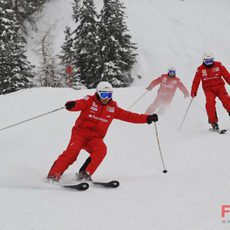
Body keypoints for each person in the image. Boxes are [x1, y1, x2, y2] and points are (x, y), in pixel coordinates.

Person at [47, 81, 158, 182]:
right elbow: (79, 104)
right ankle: (53, 175)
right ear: (98, 93)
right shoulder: (89, 101)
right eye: (104, 95)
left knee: (101, 149)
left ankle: (84, 174)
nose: (106, 98)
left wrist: (146, 118)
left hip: (95, 138)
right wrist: (72, 105)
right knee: (72, 153)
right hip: (80, 133)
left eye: (109, 95)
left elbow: (129, 116)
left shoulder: (113, 108)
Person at [191, 52, 230, 130]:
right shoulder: (200, 69)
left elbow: (227, 75)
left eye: (210, 61)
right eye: (207, 61)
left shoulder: (219, 65)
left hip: (219, 87)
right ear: (203, 60)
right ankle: (213, 122)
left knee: (226, 100)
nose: (209, 63)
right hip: (208, 89)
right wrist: (194, 91)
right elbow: (196, 81)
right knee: (210, 104)